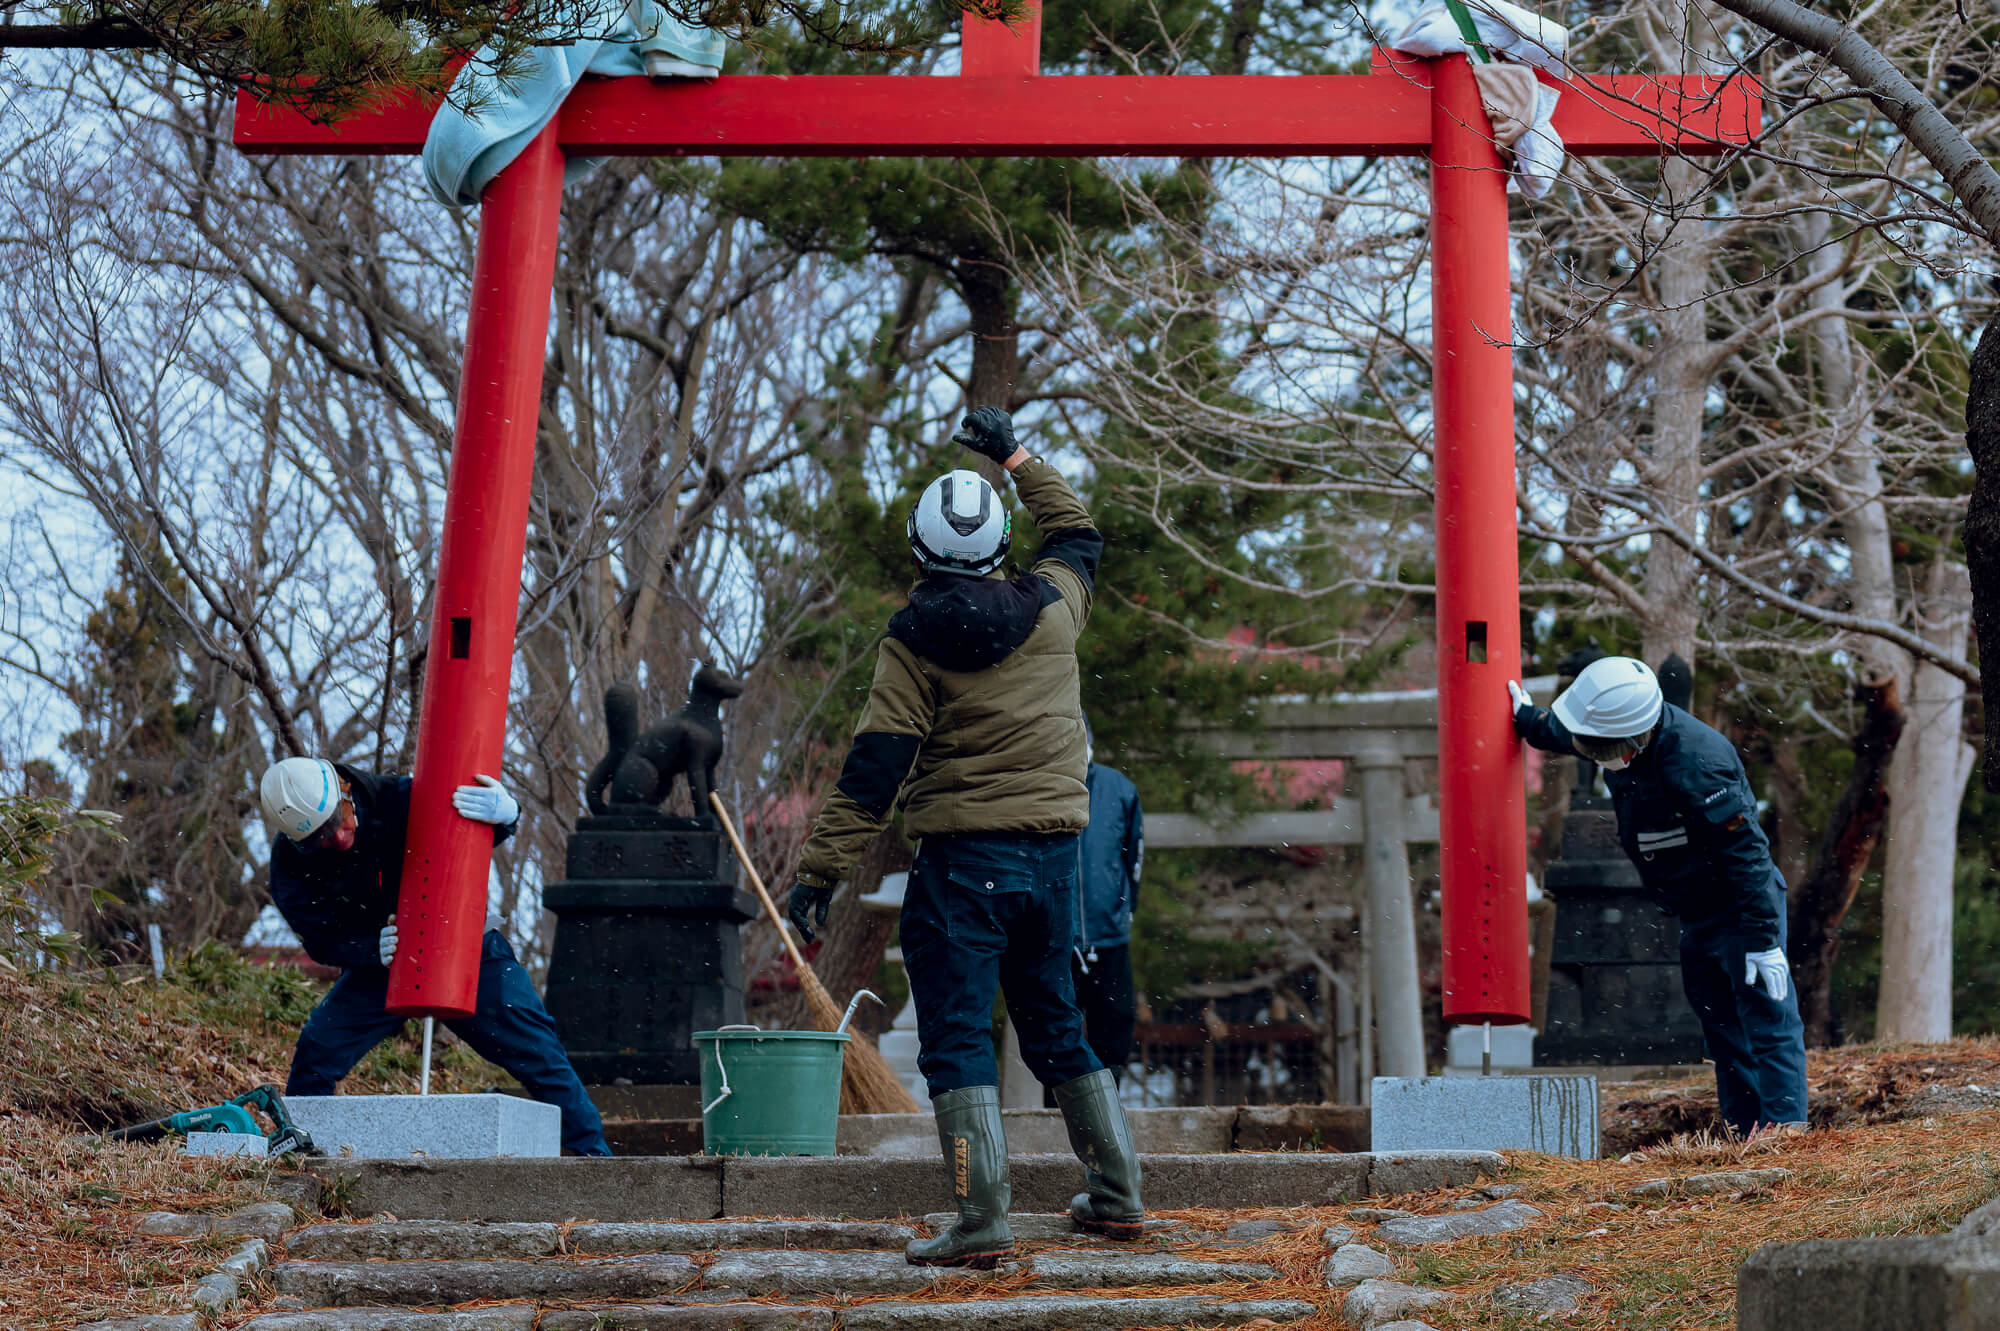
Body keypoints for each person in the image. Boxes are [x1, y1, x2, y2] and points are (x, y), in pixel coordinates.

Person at [787, 407, 1143, 1268]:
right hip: (1055, 860)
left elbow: (874, 771)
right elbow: (1078, 529)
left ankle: (981, 1216)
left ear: (920, 549)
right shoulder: (1057, 606)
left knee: (956, 1035)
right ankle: (1118, 1191)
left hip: (962, 866)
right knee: (1056, 1023)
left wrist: (819, 872)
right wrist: (1015, 452)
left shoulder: (913, 641)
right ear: (1001, 542)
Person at [1508, 657, 1808, 1138]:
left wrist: (1763, 939)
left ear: (1633, 742)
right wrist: (1530, 721)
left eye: (1600, 749)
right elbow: (1572, 735)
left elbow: (1747, 854)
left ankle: (1785, 1132)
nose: (1590, 754)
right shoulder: (1614, 729)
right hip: (1694, 910)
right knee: (1720, 1027)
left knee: (1767, 1018)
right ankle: (1745, 1131)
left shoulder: (1699, 763)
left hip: (1740, 904)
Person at [260, 757, 610, 1156]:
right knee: (317, 1051)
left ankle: (594, 1161)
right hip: (385, 963)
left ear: (344, 790)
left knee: (540, 1053)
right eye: (320, 838)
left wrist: (506, 816)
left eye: (338, 821)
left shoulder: (400, 798)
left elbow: (467, 834)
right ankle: (299, 1159)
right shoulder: (290, 866)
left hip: (465, 946)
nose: (339, 839)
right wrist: (368, 948)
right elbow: (319, 937)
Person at [1072, 728, 1143, 1082]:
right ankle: (1058, 1111)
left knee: (1115, 1022)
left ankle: (1109, 1100)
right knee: (1056, 1032)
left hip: (1108, 934)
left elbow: (1134, 856)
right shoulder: (1039, 786)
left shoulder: (1119, 790)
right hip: (1058, 937)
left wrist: (1124, 909)